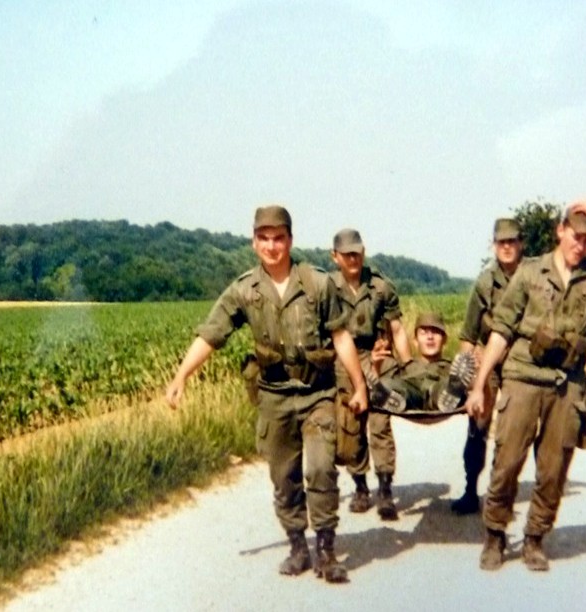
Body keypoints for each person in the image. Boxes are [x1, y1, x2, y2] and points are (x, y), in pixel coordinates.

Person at [165, 205, 368, 584]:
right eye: (264, 238)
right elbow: (211, 334)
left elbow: (341, 336)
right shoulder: (244, 290)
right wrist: (181, 376)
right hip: (274, 397)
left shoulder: (317, 283)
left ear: (290, 240)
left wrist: (359, 386)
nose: (272, 246)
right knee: (284, 478)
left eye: (278, 238)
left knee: (320, 469)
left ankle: (326, 550)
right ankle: (298, 547)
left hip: (317, 393)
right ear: (253, 242)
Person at [465, 199, 586, 572]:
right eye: (576, 236)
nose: (581, 245)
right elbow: (501, 331)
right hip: (523, 376)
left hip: (567, 383)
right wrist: (479, 385)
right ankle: (495, 534)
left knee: (553, 469)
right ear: (560, 231)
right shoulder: (530, 272)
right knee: (507, 462)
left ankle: (535, 538)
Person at [330, 228, 412, 521]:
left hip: (378, 357)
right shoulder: (328, 289)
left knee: (380, 423)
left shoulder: (380, 287)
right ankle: (361, 487)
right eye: (347, 254)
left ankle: (385, 489)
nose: (353, 259)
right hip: (344, 361)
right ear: (335, 256)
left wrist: (410, 368)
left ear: (363, 253)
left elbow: (397, 330)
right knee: (351, 426)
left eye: (357, 253)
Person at [453, 218, 525, 515]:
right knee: (478, 426)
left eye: (512, 241)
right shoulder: (485, 282)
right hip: (490, 364)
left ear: (521, 244)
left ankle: (500, 493)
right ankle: (471, 489)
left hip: (522, 364)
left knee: (514, 431)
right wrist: (471, 375)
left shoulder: (533, 276)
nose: (506, 247)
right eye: (501, 242)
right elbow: (468, 335)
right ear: (494, 246)